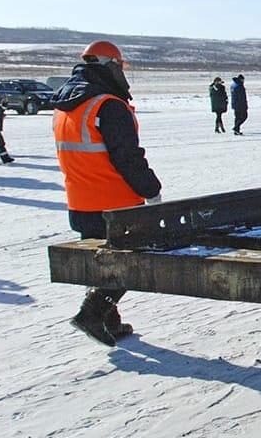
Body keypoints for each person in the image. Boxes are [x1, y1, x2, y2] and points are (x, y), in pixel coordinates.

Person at [52, 41, 161, 346]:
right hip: (115, 203)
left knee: (101, 265)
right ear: (111, 65)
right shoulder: (107, 105)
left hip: (79, 202)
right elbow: (128, 157)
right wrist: (151, 190)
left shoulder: (67, 104)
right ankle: (92, 313)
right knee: (128, 266)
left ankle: (108, 321)